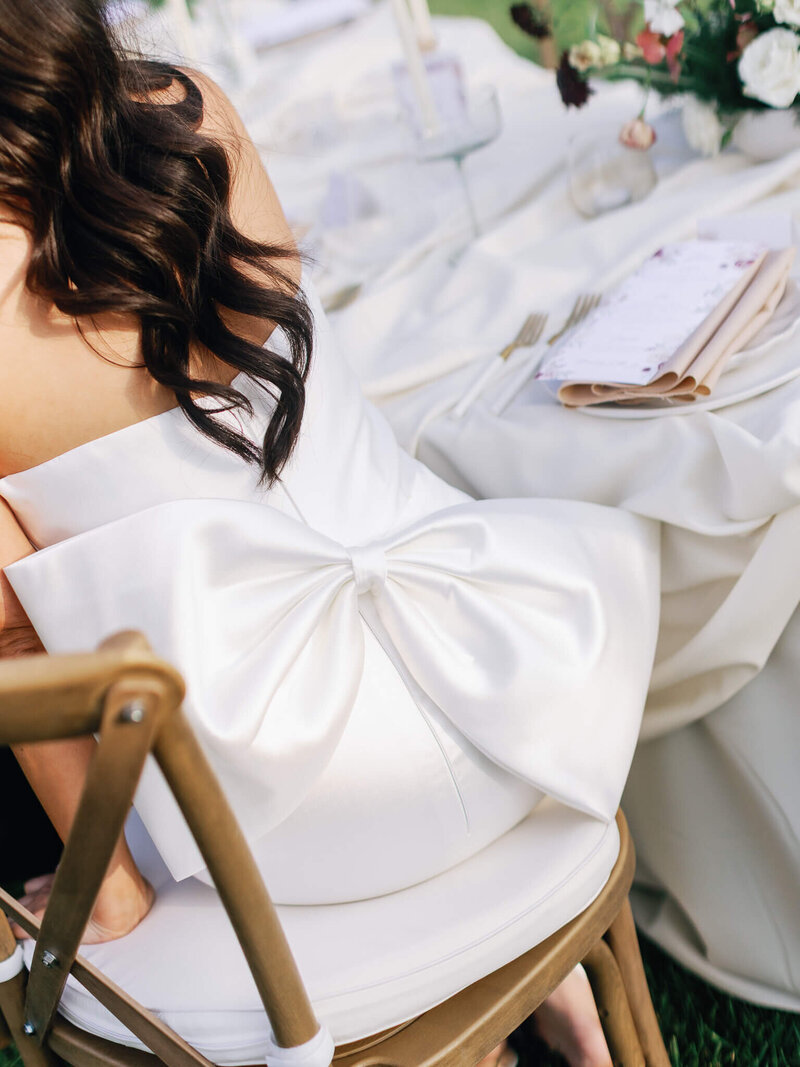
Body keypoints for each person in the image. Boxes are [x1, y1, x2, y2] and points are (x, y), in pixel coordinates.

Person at [0, 2, 660, 1065]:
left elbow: (19, 645)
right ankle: (540, 1000)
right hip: (508, 688)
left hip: (301, 826)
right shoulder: (193, 116)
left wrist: (107, 895)